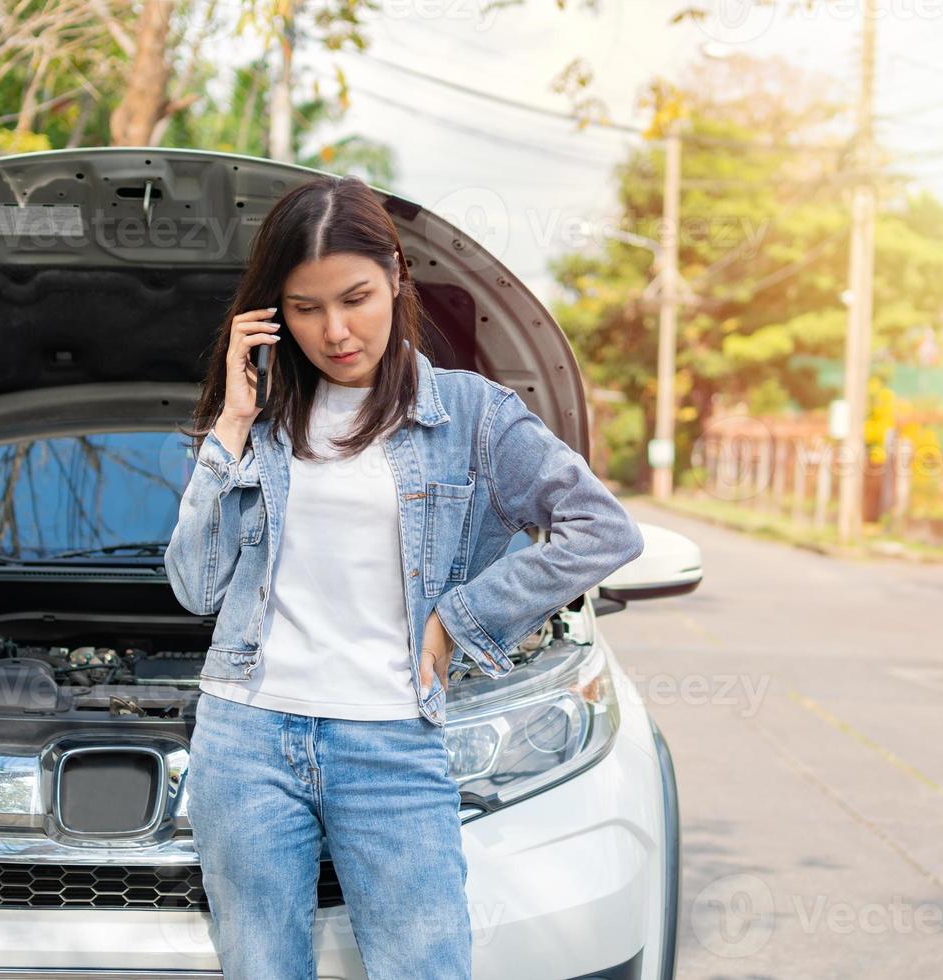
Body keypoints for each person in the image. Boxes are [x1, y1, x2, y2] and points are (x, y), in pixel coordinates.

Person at [164, 174, 644, 979]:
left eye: (355, 297)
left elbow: (603, 529)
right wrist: (232, 424)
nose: (336, 330)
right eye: (306, 307)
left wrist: (462, 616)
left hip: (389, 742)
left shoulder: (474, 416)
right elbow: (194, 586)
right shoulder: (265, 422)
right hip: (245, 737)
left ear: (396, 275)